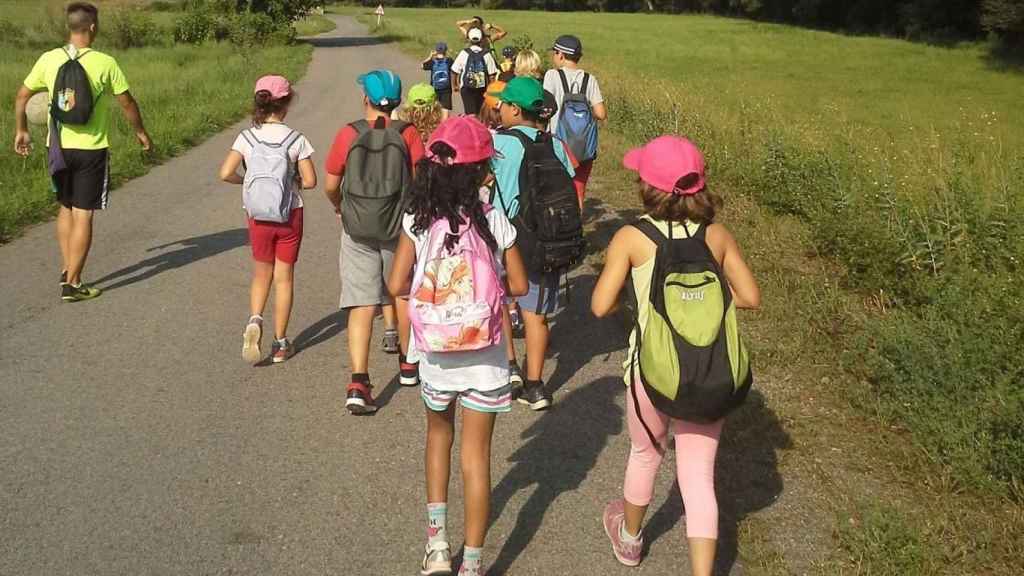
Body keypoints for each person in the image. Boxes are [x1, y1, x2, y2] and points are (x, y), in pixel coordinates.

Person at [590, 136, 761, 574]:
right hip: (709, 370)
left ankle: (629, 541)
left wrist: (644, 302)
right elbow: (749, 296)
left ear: (646, 188)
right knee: (699, 474)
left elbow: (599, 305)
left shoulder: (632, 238)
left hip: (651, 370)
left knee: (645, 454)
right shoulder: (717, 236)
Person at [387, 116, 527, 576]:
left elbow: (395, 283)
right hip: (485, 358)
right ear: (481, 171)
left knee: (437, 439)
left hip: (437, 358)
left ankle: (437, 546)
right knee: (476, 459)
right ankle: (473, 564)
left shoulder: (417, 218)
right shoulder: (492, 218)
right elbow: (521, 285)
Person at [13, 1, 151, 302]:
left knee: (65, 206)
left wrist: (21, 130)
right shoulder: (105, 62)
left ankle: (67, 268)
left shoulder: (49, 59)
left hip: (57, 147)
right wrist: (140, 132)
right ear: (92, 27)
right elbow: (127, 102)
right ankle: (74, 284)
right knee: (84, 213)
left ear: (68, 27)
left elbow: (22, 96)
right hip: (91, 150)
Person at [324, 69, 425, 413]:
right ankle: (408, 364)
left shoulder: (348, 134)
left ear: (365, 98)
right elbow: (420, 179)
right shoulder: (408, 133)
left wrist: (340, 207)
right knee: (402, 291)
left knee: (362, 302)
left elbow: (330, 184)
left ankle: (358, 380)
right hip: (399, 226)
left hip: (357, 227)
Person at [489, 77, 578, 410]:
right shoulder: (554, 144)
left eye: (503, 105)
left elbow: (485, 183)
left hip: (505, 237)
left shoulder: (500, 144)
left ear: (514, 108)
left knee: (501, 303)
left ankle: (510, 367)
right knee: (536, 316)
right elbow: (570, 180)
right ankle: (536, 385)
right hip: (548, 241)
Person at [218, 76, 315, 364]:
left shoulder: (246, 137)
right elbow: (310, 181)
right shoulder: (296, 139)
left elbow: (225, 173)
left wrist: (246, 181)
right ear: (286, 103)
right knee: (283, 279)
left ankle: (255, 319)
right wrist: (292, 180)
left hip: (257, 215)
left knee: (262, 273)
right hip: (288, 214)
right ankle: (281, 343)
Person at [543, 35, 607, 204]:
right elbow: (601, 113)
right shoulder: (589, 79)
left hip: (558, 143)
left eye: (554, 53)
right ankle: (577, 226)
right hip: (584, 146)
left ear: (561, 55)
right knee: (578, 190)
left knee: (556, 190)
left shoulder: (552, 75)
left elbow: (545, 107)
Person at [451, 27, 498, 116]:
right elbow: (492, 75)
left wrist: (455, 85)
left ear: (469, 39)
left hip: (466, 88)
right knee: (480, 113)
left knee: (470, 113)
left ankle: (471, 128)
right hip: (482, 89)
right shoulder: (486, 54)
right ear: (481, 39)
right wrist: (490, 90)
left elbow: (454, 71)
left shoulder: (464, 53)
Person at [422, 42, 454, 111]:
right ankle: (445, 122)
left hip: (434, 89)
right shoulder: (449, 61)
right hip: (446, 89)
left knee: (434, 109)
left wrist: (430, 57)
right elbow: (456, 68)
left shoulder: (432, 62)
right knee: (445, 109)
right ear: (445, 50)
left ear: (436, 51)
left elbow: (422, 65)